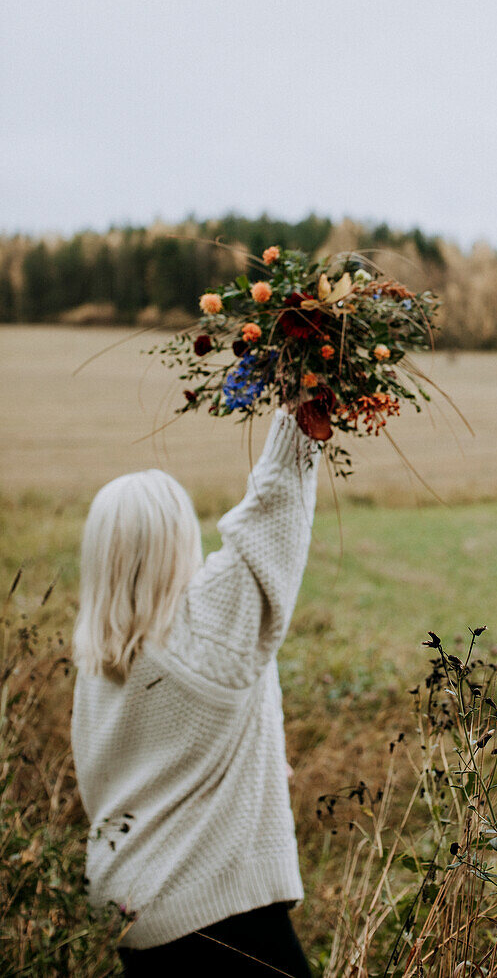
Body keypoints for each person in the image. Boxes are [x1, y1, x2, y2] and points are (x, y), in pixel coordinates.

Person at [70, 408, 319, 976]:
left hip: (134, 917)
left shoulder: (96, 665)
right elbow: (274, 512)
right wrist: (303, 408)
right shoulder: (201, 631)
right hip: (217, 913)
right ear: (176, 541)